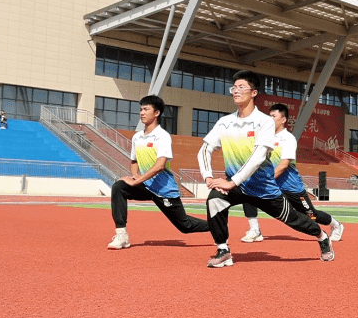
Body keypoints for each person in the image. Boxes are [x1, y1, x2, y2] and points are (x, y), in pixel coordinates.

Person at [198, 70, 335, 268]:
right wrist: (208, 177)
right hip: (237, 186)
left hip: (264, 189)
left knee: (295, 220)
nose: (236, 91)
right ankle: (223, 250)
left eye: (241, 87)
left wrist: (231, 181)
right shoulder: (224, 122)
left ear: (254, 92)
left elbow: (258, 157)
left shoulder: (264, 122)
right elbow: (205, 149)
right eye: (234, 88)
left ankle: (322, 236)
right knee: (215, 200)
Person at [108, 95, 209, 249]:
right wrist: (134, 175)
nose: (142, 112)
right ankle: (122, 234)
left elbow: (160, 165)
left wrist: (136, 180)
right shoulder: (137, 137)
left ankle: (216, 225)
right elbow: (134, 160)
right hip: (146, 186)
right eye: (141, 109)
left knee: (185, 226)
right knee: (119, 187)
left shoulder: (162, 136)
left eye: (146, 109)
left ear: (156, 113)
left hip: (163, 189)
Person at [238, 103, 345, 244]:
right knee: (249, 194)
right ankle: (255, 230)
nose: (269, 119)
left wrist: (266, 179)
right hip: (274, 187)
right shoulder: (264, 137)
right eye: (268, 116)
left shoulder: (288, 139)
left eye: (273, 116)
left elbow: (283, 165)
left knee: (311, 215)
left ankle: (336, 225)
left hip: (292, 188)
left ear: (283, 120)